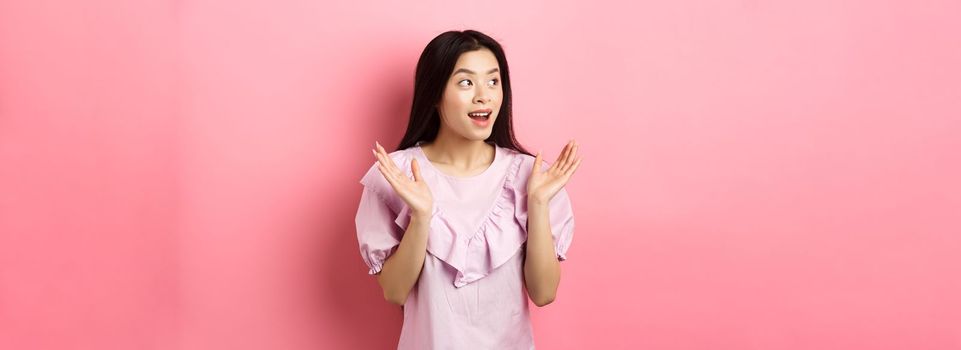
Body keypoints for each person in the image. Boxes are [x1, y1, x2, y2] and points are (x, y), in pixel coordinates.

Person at [355, 29, 582, 349]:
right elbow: (394, 291)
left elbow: (544, 293)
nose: (484, 95)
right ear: (434, 94)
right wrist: (421, 217)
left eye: (493, 81)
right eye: (466, 82)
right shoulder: (396, 175)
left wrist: (539, 203)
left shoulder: (533, 177)